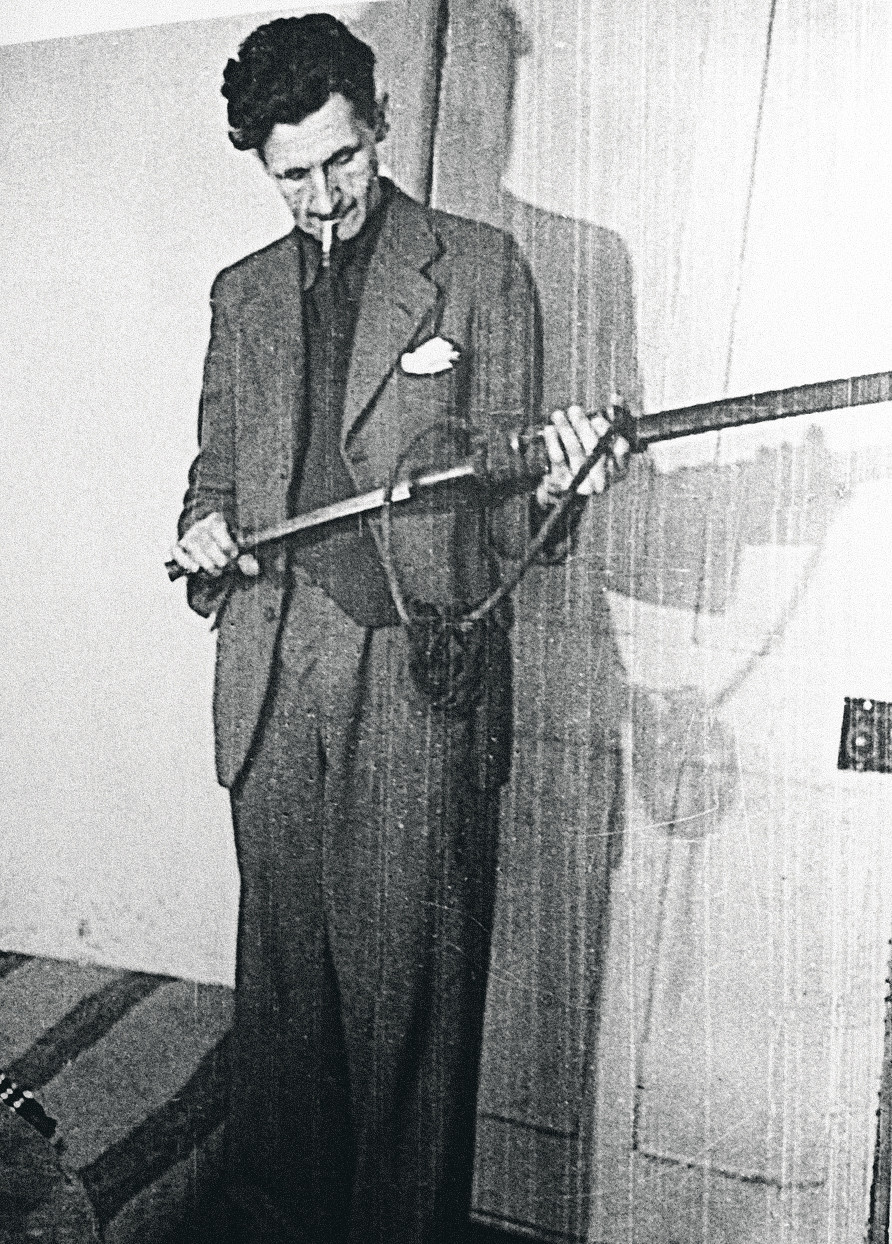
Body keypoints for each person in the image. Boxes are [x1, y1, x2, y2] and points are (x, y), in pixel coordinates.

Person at [169, 15, 629, 1243]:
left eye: (342, 159)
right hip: (271, 674)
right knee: (283, 1020)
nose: (323, 197)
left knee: (408, 1018)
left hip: (418, 676)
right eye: (292, 175)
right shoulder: (240, 295)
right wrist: (204, 527)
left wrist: (564, 481)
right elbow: (217, 473)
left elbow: (522, 514)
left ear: (377, 124)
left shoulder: (479, 268)